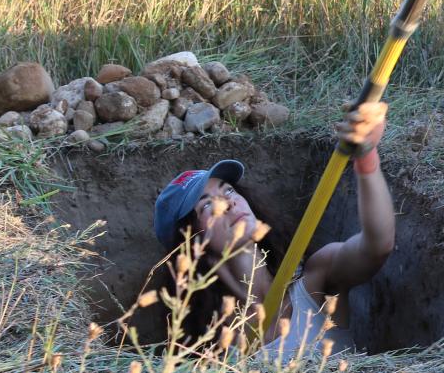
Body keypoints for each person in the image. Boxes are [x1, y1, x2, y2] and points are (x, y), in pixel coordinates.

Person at [150, 101, 393, 358]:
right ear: (191, 241)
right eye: (208, 205)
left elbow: (378, 245)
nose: (230, 202)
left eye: (228, 190)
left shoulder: (316, 280)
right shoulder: (210, 344)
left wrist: (367, 160)